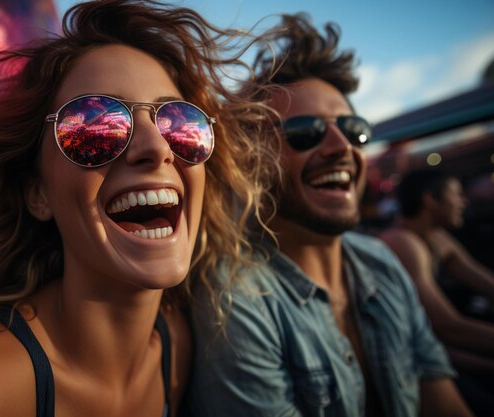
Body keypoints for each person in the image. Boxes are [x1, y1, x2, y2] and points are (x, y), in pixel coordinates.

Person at [0, 1, 275, 416]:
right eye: (93, 127)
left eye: (177, 121)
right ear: (38, 193)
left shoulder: (179, 344)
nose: (156, 148)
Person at [187, 13, 474, 417]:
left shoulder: (381, 264)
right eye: (306, 131)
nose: (342, 146)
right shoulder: (236, 299)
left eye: (353, 129)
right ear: (254, 161)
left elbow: (441, 399)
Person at [379, 169, 494, 415]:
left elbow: (483, 280)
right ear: (430, 199)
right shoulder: (402, 242)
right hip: (410, 366)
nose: (464, 201)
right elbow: (448, 327)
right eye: (457, 194)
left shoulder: (436, 238)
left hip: (439, 352)